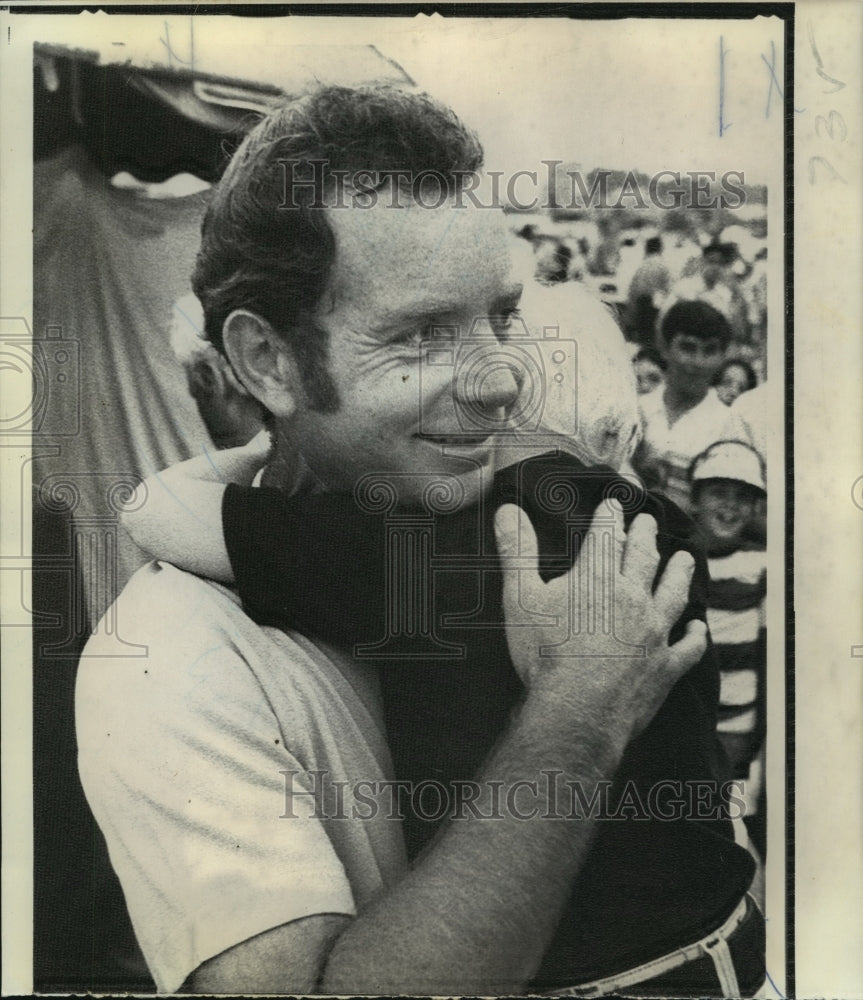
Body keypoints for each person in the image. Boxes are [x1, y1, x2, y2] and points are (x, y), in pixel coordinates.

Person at [77, 85, 760, 996]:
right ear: (267, 361)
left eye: (501, 316)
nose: (500, 381)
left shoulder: (561, 521)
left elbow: (320, 558)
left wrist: (185, 508)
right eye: (422, 334)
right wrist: (581, 705)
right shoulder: (167, 655)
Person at [633, 299, 732, 512]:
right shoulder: (636, 409)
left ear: (723, 356)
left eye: (709, 351)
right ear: (664, 347)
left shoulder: (729, 426)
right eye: (688, 348)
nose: (697, 361)